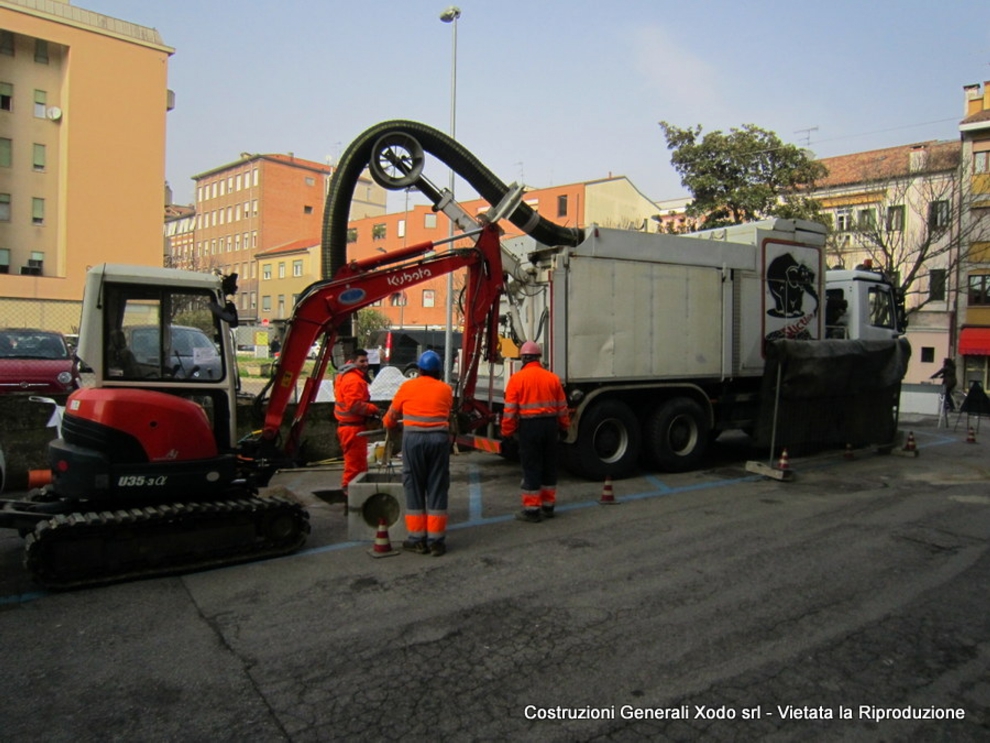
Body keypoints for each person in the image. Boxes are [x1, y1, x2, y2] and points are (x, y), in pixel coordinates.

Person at [382, 350, 453, 556]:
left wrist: (387, 423)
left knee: (413, 485)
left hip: (413, 441)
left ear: (420, 370)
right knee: (437, 486)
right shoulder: (446, 390)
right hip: (439, 440)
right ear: (438, 371)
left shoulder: (407, 386)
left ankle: (417, 539)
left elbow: (391, 417)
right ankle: (436, 541)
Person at [500, 341, 571, 523]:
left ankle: (531, 510)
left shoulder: (517, 379)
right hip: (550, 426)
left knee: (531, 466)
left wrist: (507, 432)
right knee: (549, 465)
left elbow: (510, 411)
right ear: (539, 358)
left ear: (523, 358)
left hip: (529, 427)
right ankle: (548, 506)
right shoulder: (552, 378)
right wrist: (564, 427)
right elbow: (562, 408)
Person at [333, 348, 379, 495]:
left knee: (355, 463)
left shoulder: (345, 375)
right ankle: (351, 495)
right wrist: (373, 409)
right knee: (355, 465)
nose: (366, 364)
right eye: (362, 361)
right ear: (353, 362)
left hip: (348, 427)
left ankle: (353, 493)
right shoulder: (354, 380)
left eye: (367, 361)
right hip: (353, 429)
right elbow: (355, 405)